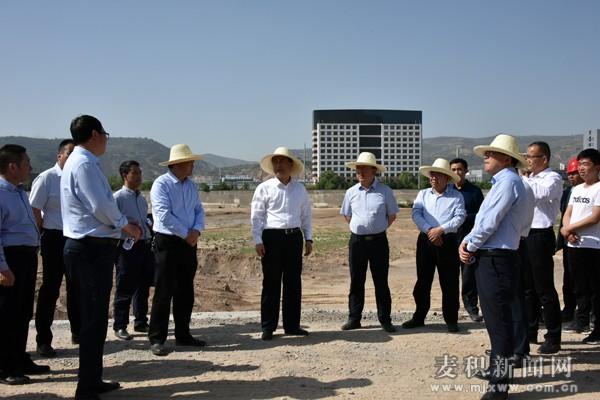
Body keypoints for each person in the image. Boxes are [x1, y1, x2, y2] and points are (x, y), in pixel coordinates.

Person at [61, 115, 142, 400]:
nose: (107, 139)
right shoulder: (83, 163)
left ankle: (92, 379)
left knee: (94, 319)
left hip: (89, 246)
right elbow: (100, 205)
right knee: (93, 319)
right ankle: (86, 387)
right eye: (105, 134)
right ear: (95, 134)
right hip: (89, 248)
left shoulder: (81, 161)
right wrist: (126, 225)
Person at [459, 134, 530, 400]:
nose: (486, 156)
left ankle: (499, 387)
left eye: (492, 153)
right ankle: (497, 372)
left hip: (495, 258)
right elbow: (493, 222)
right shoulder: (509, 182)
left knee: (499, 322)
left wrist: (469, 244)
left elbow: (489, 223)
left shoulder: (508, 182)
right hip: (498, 256)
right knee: (497, 320)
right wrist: (470, 241)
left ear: (507, 158)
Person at [148, 144, 205, 356]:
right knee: (164, 290)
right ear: (178, 164)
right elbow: (162, 215)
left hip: (189, 242)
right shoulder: (161, 184)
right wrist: (187, 233)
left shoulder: (191, 186)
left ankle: (183, 334)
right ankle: (157, 338)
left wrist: (196, 231)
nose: (193, 166)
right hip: (168, 242)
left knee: (185, 290)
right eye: (190, 162)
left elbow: (199, 210)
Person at [251, 147, 313, 340]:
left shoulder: (300, 189)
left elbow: (306, 216)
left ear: (290, 165)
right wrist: (258, 240)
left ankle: (292, 325)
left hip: (294, 238)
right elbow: (257, 217)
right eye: (275, 162)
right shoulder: (264, 188)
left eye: (282, 161)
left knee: (293, 283)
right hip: (272, 238)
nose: (278, 165)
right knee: (271, 283)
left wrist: (308, 237)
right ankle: (268, 326)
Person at [0, 144, 49, 385]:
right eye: (26, 163)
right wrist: (2, 267)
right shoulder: (0, 193)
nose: (30, 167)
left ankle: (19, 358)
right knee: (6, 314)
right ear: (12, 166)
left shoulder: (19, 191)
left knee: (21, 312)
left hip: (26, 256)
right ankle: (4, 366)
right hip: (11, 258)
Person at [30, 139, 79, 358]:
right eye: (68, 153)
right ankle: (43, 340)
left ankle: (78, 332)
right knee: (50, 289)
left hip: (75, 238)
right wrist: (41, 235)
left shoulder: (78, 177)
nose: (71, 157)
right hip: (53, 237)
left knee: (76, 287)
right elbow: (35, 210)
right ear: (59, 155)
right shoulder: (47, 178)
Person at [340, 152, 399, 333]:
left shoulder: (385, 191)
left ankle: (385, 319)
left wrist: (375, 228)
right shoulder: (350, 192)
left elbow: (392, 216)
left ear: (374, 170)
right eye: (358, 168)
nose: (360, 171)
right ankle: (354, 318)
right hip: (357, 242)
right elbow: (347, 215)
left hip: (378, 242)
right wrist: (361, 228)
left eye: (364, 168)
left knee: (381, 281)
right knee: (356, 281)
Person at [405, 158, 466, 332]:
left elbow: (459, 217)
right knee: (423, 280)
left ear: (446, 178)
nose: (433, 178)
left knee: (450, 282)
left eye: (437, 175)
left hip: (447, 242)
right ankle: (419, 316)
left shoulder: (456, 196)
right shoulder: (423, 194)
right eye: (432, 174)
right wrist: (430, 230)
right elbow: (416, 214)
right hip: (426, 240)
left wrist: (441, 230)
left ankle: (451, 319)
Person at [521, 141, 563, 354]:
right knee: (527, 289)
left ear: (544, 159)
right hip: (526, 235)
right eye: (526, 156)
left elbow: (541, 193)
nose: (528, 160)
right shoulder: (530, 178)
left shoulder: (552, 178)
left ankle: (554, 336)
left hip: (541, 235)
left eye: (531, 156)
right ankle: (530, 330)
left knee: (544, 288)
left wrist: (523, 179)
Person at [560, 148, 600, 345]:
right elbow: (569, 212)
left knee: (595, 288)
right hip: (575, 244)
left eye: (586, 164)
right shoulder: (576, 190)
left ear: (597, 167)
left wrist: (569, 229)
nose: (582, 169)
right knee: (580, 286)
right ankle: (581, 321)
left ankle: (597, 329)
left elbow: (594, 217)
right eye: (580, 164)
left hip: (593, 246)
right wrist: (566, 229)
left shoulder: (599, 188)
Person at [112, 160, 155, 340]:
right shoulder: (117, 198)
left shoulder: (141, 198)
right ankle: (120, 325)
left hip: (143, 245)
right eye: (134, 173)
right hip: (126, 246)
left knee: (143, 285)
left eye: (139, 173)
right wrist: (128, 227)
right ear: (125, 175)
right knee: (125, 285)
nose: (138, 177)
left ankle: (140, 321)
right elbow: (112, 222)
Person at [449, 158, 485, 322]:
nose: (457, 173)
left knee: (469, 275)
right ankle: (450, 310)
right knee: (449, 276)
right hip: (449, 239)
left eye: (460, 169)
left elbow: (482, 215)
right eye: (454, 169)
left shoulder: (474, 192)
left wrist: (462, 217)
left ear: (466, 171)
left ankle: (472, 308)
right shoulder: (447, 190)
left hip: (468, 239)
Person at [557, 157, 585, 325]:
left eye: (575, 173)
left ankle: (585, 315)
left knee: (585, 281)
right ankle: (569, 310)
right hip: (568, 240)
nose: (572, 177)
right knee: (569, 278)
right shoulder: (568, 192)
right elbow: (563, 215)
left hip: (585, 241)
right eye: (569, 174)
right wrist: (564, 234)